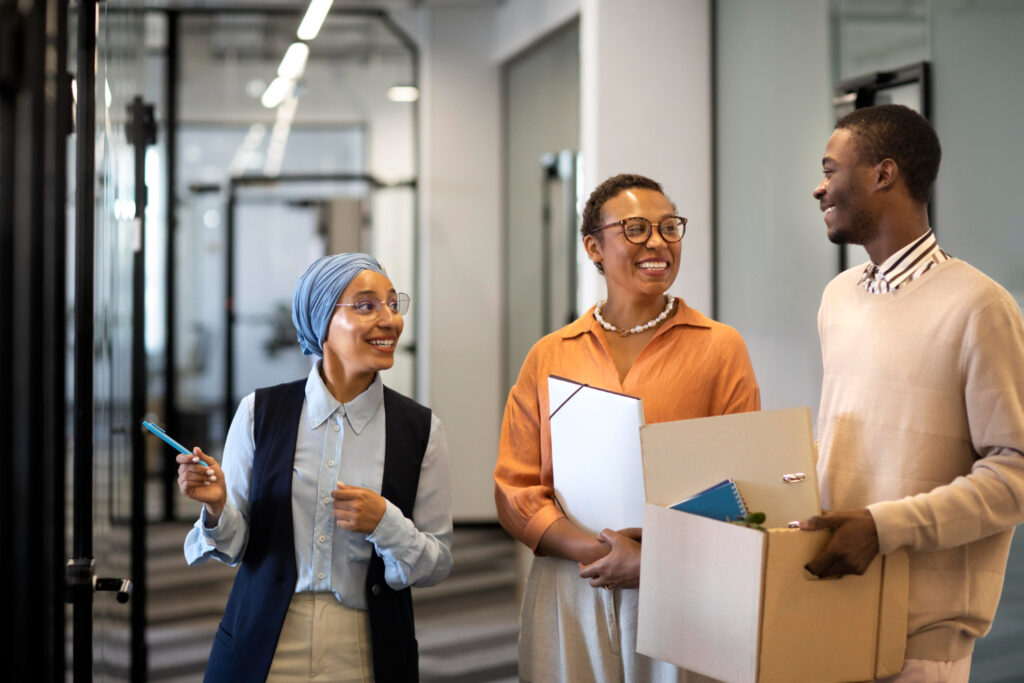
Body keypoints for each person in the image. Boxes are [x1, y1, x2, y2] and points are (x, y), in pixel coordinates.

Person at [494, 173, 761, 682]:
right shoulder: (550, 354)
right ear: (594, 247)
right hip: (570, 580)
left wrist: (654, 561)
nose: (657, 242)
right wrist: (598, 554)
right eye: (635, 229)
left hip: (683, 578)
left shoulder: (719, 346)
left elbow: (742, 479)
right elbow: (515, 488)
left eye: (668, 228)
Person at [800, 104, 1024, 682]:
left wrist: (883, 526)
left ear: (883, 173)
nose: (818, 187)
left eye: (830, 169)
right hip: (828, 607)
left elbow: (1013, 476)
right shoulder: (837, 297)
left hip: (922, 642)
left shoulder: (981, 307)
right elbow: (846, 445)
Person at [177, 253, 453, 682]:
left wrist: (386, 523)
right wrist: (216, 508)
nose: (390, 320)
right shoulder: (259, 412)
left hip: (367, 648)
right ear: (322, 321)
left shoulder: (420, 429)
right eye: (366, 306)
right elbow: (235, 548)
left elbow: (437, 562)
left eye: (393, 304)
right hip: (265, 642)